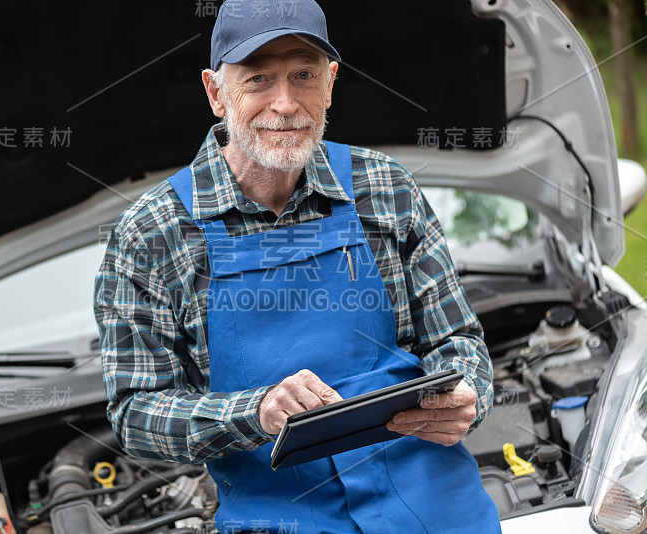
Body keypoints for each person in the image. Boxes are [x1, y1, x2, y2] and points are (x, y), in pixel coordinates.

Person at [94, 0, 502, 531]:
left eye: (303, 74)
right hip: (280, 516)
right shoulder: (151, 235)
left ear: (330, 83)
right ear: (216, 93)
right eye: (258, 79)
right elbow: (135, 414)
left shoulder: (386, 188)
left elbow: (459, 339)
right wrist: (257, 411)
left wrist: (470, 390)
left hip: (435, 506)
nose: (285, 104)